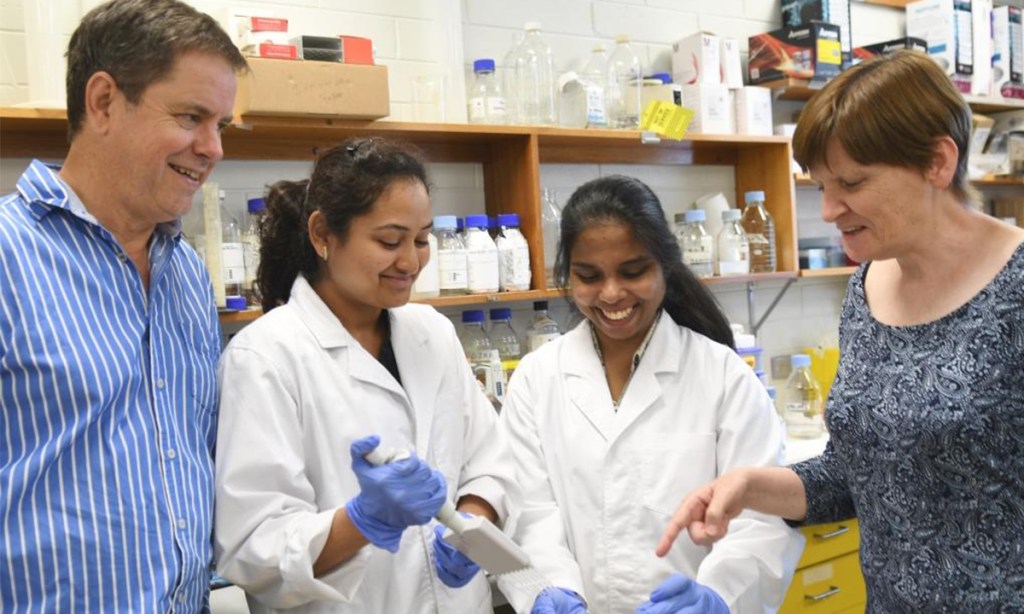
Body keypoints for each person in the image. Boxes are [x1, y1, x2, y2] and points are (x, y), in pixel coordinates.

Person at [656, 50, 1024, 611]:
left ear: (937, 162)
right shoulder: (868, 288)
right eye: (820, 184)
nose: (828, 210)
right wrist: (748, 486)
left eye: (851, 182)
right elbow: (858, 477)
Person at [0, 1, 246, 611]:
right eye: (192, 116)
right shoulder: (8, 256)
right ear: (104, 101)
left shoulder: (185, 270)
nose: (212, 148)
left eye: (221, 125)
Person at [213, 137, 519, 613]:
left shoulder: (432, 334)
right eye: (389, 241)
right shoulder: (266, 357)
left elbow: (489, 459)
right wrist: (362, 521)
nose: (411, 261)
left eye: (420, 240)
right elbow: (253, 547)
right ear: (322, 235)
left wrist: (471, 521)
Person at [498, 175, 804, 613]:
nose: (610, 294)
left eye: (633, 271)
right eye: (588, 276)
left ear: (666, 265)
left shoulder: (722, 376)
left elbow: (762, 520)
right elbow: (529, 513)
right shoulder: (536, 379)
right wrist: (549, 588)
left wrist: (719, 596)